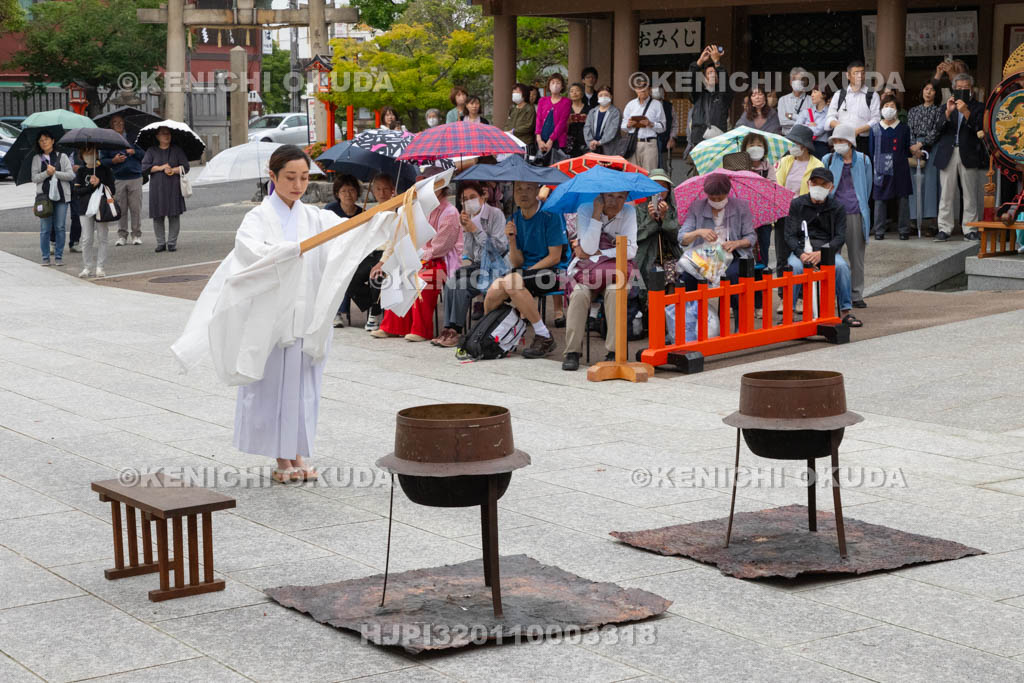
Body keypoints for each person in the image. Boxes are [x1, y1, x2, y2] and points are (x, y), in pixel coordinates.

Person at [230, 145, 342, 483]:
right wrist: (289, 252)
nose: (298, 185)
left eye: (305, 178)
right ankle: (282, 457)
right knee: (275, 384)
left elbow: (344, 233)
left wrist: (380, 219)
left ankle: (296, 452)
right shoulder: (257, 218)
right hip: (273, 314)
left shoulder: (314, 216)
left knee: (302, 383)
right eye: (291, 177)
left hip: (305, 312)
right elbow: (249, 252)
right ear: (273, 176)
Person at [372, 167, 462, 342]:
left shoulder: (450, 212)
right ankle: (393, 326)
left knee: (423, 277)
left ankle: (421, 329)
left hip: (440, 261)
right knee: (397, 273)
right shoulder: (419, 208)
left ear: (443, 187)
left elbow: (440, 247)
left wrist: (416, 258)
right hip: (419, 256)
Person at [482, 181, 566, 359]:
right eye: (519, 189)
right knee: (493, 291)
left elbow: (555, 257)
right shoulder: (515, 218)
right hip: (526, 272)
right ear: (513, 192)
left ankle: (544, 335)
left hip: (555, 272)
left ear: (537, 190)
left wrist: (525, 274)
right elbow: (517, 261)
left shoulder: (551, 215)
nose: (523, 193)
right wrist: (511, 239)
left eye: (528, 188)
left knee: (513, 282)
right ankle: (494, 333)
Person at [561, 192, 637, 371]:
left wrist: (602, 254)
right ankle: (572, 352)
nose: (615, 201)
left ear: (626, 198)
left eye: (620, 197)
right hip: (587, 271)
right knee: (579, 294)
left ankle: (614, 351)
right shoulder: (586, 209)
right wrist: (596, 214)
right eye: (610, 196)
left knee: (615, 292)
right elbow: (587, 248)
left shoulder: (629, 212)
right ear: (601, 195)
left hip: (616, 270)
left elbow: (631, 250)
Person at [435, 181, 509, 347]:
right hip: (477, 266)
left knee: (461, 285)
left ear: (483, 196)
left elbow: (499, 247)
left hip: (495, 268)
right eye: (465, 199)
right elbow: (469, 251)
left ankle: (456, 330)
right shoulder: (467, 218)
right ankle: (448, 328)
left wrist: (475, 230)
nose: (469, 202)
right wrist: (466, 230)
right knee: (451, 281)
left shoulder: (496, 215)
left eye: (472, 197)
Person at [784, 167, 860, 327]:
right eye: (815, 183)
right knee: (794, 268)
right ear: (808, 183)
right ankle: (788, 313)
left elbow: (840, 237)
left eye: (823, 184)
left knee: (842, 267)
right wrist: (801, 254)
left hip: (826, 250)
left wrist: (823, 253)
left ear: (831, 187)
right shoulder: (797, 204)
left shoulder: (837, 207)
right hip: (802, 250)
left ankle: (845, 311)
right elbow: (789, 235)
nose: (818, 187)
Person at [822, 124, 872, 309]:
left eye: (842, 140)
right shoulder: (827, 159)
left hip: (855, 212)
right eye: (835, 141)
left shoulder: (864, 160)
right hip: (833, 213)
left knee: (856, 256)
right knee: (832, 256)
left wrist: (860, 206)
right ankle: (834, 294)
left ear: (851, 142)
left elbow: (867, 188)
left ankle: (856, 294)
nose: (838, 144)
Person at [932, 73, 986, 242]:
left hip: (969, 152)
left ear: (972, 89)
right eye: (959, 88)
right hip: (948, 153)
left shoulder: (978, 107)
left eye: (966, 88)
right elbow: (937, 130)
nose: (962, 91)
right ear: (953, 89)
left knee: (970, 193)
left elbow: (980, 129)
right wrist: (948, 112)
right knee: (946, 194)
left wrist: (966, 112)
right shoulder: (945, 106)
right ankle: (944, 228)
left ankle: (970, 228)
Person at [343, 173, 395, 333]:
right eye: (378, 189)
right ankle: (374, 305)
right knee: (348, 277)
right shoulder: (371, 211)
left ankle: (376, 312)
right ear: (372, 191)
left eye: (386, 189)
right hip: (371, 253)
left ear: (393, 190)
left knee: (376, 277)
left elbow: (395, 240)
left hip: (388, 254)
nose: (382, 193)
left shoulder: (398, 210)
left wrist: (383, 261)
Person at [773, 124, 824, 276]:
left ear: (805, 145)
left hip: (805, 215)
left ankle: (802, 294)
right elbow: (776, 183)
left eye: (795, 143)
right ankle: (783, 295)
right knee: (782, 257)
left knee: (803, 254)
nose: (792, 146)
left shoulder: (817, 165)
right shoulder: (784, 161)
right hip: (783, 214)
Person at [870, 94, 913, 240]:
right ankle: (879, 230)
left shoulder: (904, 128)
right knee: (879, 199)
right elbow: (871, 150)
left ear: (898, 110)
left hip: (901, 167)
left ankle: (903, 230)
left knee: (903, 198)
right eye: (886, 106)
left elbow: (907, 149)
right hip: (881, 168)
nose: (889, 109)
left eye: (892, 106)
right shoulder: (875, 129)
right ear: (881, 109)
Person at [71, 145, 117, 279]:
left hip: (101, 207)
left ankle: (100, 266)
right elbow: (77, 191)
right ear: (82, 155)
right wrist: (91, 186)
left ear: (97, 154)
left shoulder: (105, 170)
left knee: (102, 237)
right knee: (86, 239)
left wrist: (100, 183)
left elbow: (112, 189)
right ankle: (87, 267)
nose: (90, 155)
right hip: (84, 208)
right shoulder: (81, 171)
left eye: (93, 152)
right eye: (87, 153)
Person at [324, 174, 364, 327]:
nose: (348, 194)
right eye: (344, 191)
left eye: (352, 190)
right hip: (332, 252)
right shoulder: (329, 210)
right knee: (338, 268)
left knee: (348, 269)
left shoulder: (363, 212)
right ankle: (336, 313)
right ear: (337, 194)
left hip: (356, 254)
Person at [141, 126, 189, 253]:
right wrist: (161, 167)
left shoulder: (176, 150)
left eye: (168, 133)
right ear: (157, 136)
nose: (166, 136)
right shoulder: (151, 151)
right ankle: (160, 242)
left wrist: (173, 170)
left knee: (174, 215)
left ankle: (172, 243)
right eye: (163, 133)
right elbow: (145, 168)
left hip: (173, 186)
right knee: (158, 216)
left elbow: (186, 167)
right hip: (157, 187)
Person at [100, 114, 145, 247]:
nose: (119, 124)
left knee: (136, 208)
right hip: (118, 178)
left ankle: (136, 234)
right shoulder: (108, 141)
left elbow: (144, 155)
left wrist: (133, 152)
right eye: (115, 122)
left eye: (121, 122)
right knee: (121, 208)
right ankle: (122, 235)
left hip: (135, 176)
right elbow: (102, 160)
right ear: (111, 125)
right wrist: (114, 160)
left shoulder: (133, 137)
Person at [634, 168, 680, 297]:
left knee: (674, 273)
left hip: (670, 255)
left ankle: (670, 309)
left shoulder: (673, 210)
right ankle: (651, 310)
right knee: (651, 274)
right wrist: (651, 219)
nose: (659, 190)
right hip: (647, 255)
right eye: (655, 185)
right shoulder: (639, 209)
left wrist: (665, 218)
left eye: (663, 186)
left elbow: (677, 237)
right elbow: (637, 236)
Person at [31, 131, 73, 267]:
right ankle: (45, 257)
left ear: (53, 141)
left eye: (46, 139)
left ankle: (59, 256)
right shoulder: (37, 158)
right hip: (44, 198)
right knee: (45, 228)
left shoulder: (62, 157)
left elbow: (71, 175)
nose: (44, 142)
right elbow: (34, 178)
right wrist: (46, 173)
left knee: (60, 227)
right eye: (41, 140)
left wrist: (55, 172)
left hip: (61, 197)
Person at [907, 80, 944, 230]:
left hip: (933, 147)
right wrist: (913, 147)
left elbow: (937, 130)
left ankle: (931, 221)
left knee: (931, 182)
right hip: (914, 147)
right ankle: (914, 219)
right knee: (914, 183)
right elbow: (909, 129)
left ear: (936, 93)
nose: (928, 92)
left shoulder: (939, 110)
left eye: (932, 89)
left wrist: (922, 145)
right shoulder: (913, 111)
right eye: (926, 88)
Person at [826, 60, 880, 155]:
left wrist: (857, 131)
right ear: (848, 75)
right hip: (841, 140)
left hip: (862, 141)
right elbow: (830, 117)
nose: (860, 76)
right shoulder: (839, 94)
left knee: (861, 166)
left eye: (862, 73)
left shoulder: (872, 95)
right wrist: (842, 129)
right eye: (856, 73)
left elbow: (876, 119)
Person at [687, 44, 731, 149]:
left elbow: (725, 80)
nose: (712, 75)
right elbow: (689, 80)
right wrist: (700, 61)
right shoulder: (698, 94)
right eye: (709, 73)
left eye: (715, 72)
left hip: (717, 142)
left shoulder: (724, 94)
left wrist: (717, 61)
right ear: (705, 77)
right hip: (698, 141)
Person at [621, 81, 666, 171]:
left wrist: (651, 124)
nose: (642, 90)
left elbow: (663, 127)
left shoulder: (657, 104)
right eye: (639, 88)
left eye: (645, 87)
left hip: (649, 143)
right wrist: (628, 125)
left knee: (649, 173)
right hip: (633, 143)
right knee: (633, 173)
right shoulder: (631, 104)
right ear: (635, 90)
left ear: (649, 89)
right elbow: (623, 126)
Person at [535, 73, 571, 162]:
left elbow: (562, 123)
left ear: (562, 86)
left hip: (557, 140)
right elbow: (538, 119)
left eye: (558, 83)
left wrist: (551, 140)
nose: (555, 85)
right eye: (552, 82)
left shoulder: (566, 102)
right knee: (540, 165)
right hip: (542, 139)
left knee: (556, 166)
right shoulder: (542, 100)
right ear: (549, 85)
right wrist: (538, 139)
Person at [583, 85, 622, 155]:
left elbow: (612, 130)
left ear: (611, 96)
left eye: (606, 95)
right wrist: (590, 142)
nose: (603, 97)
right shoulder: (592, 111)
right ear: (597, 97)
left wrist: (600, 142)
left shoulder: (615, 112)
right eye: (600, 95)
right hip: (593, 148)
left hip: (610, 148)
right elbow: (587, 127)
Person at [796, 87, 832, 158]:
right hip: (804, 146)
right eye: (812, 92)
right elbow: (796, 129)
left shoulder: (830, 113)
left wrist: (804, 125)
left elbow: (817, 131)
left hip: (820, 147)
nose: (812, 95)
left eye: (815, 92)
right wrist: (811, 125)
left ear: (824, 95)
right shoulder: (806, 112)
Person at [777, 67, 810, 135]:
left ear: (805, 82)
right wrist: (803, 122)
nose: (798, 82)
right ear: (790, 82)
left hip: (804, 138)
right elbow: (783, 122)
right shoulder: (782, 100)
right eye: (794, 79)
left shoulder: (811, 100)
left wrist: (792, 116)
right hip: (787, 138)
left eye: (801, 79)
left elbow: (811, 122)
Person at [506, 83, 537, 149]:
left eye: (517, 92)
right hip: (511, 142)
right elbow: (508, 123)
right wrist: (505, 133)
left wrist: (513, 131)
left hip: (524, 142)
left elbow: (529, 126)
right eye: (513, 92)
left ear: (524, 94)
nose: (515, 94)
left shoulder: (529, 108)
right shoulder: (513, 108)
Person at [653, 86, 675, 169]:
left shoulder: (669, 106)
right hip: (650, 143)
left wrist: (672, 138)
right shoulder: (647, 106)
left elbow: (674, 124)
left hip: (665, 142)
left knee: (664, 169)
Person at [566, 83, 589, 157]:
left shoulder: (589, 109)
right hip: (569, 143)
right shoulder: (566, 109)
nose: (574, 93)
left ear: (582, 94)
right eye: (572, 91)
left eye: (577, 91)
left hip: (585, 142)